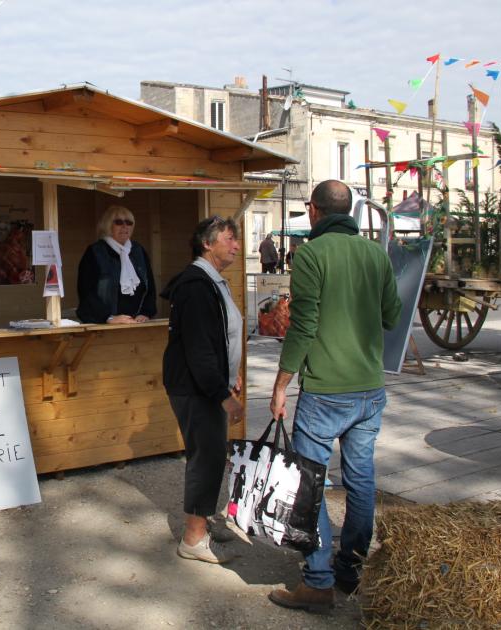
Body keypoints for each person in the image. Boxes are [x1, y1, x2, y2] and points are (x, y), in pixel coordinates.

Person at [267, 180, 401, 613]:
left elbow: (303, 327)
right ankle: (352, 570)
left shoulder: (310, 255)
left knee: (310, 484)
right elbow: (393, 314)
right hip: (369, 389)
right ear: (352, 211)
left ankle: (318, 581)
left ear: (314, 211)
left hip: (326, 392)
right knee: (361, 481)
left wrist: (281, 384)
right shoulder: (375, 254)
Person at [161, 216, 245, 564]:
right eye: (229, 239)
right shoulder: (197, 285)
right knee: (206, 456)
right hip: (197, 387)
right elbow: (198, 349)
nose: (236, 245)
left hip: (208, 383)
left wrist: (231, 374)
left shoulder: (211, 281)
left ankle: (204, 519)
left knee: (211, 454)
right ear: (207, 244)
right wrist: (222, 394)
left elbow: (219, 337)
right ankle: (193, 538)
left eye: (236, 240)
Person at [76, 205, 156, 324]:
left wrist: (145, 313)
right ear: (108, 225)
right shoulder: (95, 252)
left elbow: (150, 287)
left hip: (136, 322)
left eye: (129, 222)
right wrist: (109, 318)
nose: (124, 226)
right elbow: (86, 292)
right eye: (118, 222)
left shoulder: (138, 251)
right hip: (103, 323)